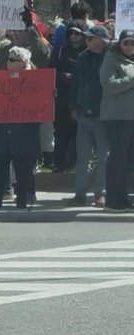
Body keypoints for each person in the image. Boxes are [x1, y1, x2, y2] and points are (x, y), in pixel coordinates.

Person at [0, 46, 40, 209]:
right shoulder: (1, 79)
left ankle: (22, 199)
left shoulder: (36, 80)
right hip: (3, 130)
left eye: (12, 60)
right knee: (0, 167)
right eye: (8, 59)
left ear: (23, 62)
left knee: (23, 168)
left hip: (24, 132)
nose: (8, 63)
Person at [71, 24, 109, 206]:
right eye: (87, 38)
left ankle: (100, 193)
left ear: (101, 41)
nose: (87, 41)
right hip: (84, 113)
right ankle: (80, 194)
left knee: (103, 156)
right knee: (82, 157)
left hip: (104, 114)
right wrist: (74, 106)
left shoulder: (110, 58)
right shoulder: (82, 57)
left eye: (91, 38)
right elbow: (76, 83)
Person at [99, 29, 134, 211]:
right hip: (116, 117)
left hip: (131, 118)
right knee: (118, 158)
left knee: (128, 160)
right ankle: (112, 199)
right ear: (119, 44)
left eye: (132, 43)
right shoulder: (110, 59)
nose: (129, 46)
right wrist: (131, 80)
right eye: (126, 42)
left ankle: (124, 197)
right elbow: (109, 85)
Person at [50, 21, 86, 172]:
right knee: (61, 133)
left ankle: (76, 165)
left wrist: (77, 78)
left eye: (77, 33)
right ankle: (59, 165)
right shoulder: (59, 50)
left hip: (81, 98)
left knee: (79, 135)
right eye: (71, 33)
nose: (74, 36)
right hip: (62, 98)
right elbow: (51, 72)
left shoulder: (87, 52)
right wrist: (62, 76)